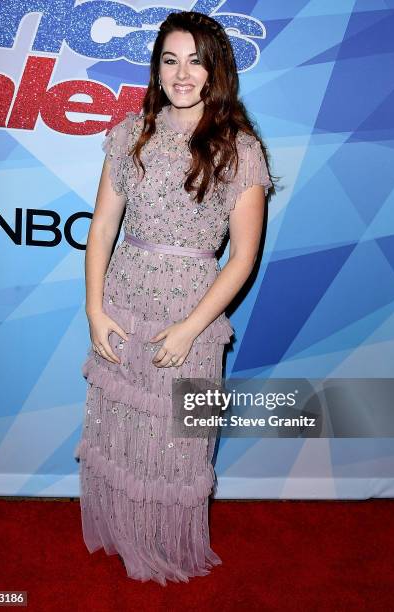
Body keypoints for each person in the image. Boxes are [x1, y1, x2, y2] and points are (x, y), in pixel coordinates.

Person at [74, 10, 274, 586]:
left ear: (216, 71)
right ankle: (120, 531)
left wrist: (190, 328)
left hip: (193, 313)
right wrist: (94, 309)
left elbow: (241, 257)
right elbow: (102, 228)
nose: (182, 73)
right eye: (170, 59)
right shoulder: (129, 133)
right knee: (120, 430)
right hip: (122, 305)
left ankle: (164, 542)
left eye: (196, 60)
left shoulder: (240, 150)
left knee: (177, 442)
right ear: (156, 68)